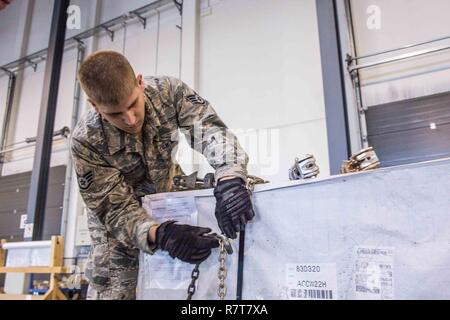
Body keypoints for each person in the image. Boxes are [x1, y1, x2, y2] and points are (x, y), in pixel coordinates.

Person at [70, 50, 255, 300]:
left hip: (168, 202)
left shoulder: (168, 92)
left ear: (140, 81)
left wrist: (230, 177)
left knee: (179, 288)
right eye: (115, 114)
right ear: (94, 105)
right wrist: (160, 235)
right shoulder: (86, 140)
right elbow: (113, 208)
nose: (130, 119)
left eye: (133, 103)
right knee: (116, 291)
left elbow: (210, 130)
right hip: (119, 231)